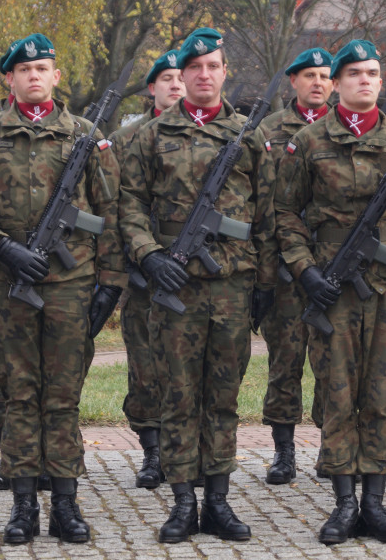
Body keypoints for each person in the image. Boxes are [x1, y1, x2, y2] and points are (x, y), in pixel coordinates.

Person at [0, 33, 125, 545]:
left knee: (62, 397)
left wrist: (112, 281)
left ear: (56, 76)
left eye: (44, 67)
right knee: (18, 394)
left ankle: (65, 502)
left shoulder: (85, 134)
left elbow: (114, 211)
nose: (35, 76)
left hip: (71, 285)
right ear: (9, 78)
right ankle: (23, 505)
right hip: (7, 284)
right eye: (25, 69)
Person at [119, 27, 277, 543]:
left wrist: (265, 285)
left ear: (224, 72)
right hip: (175, 289)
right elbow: (130, 205)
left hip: (232, 287)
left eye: (213, 66)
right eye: (195, 68)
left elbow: (267, 215)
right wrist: (150, 255)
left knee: (223, 397)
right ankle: (183, 501)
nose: (204, 75)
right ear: (181, 76)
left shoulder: (248, 136)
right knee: (178, 396)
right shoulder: (150, 135)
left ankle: (219, 501)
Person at [275, 40, 386, 546]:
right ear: (337, 83)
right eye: (355, 74)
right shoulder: (309, 141)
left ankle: (376, 504)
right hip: (332, 289)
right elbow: (284, 215)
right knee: (338, 395)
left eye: (373, 73)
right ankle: (344, 504)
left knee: (380, 397)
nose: (366, 81)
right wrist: (305, 271)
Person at [258, 47, 333, 484]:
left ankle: (330, 446)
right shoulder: (270, 131)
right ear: (294, 82)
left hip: (330, 269)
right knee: (285, 362)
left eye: (325, 75)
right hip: (285, 272)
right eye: (310, 75)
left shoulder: (342, 129)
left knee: (331, 362)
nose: (318, 82)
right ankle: (284, 453)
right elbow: (263, 203)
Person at [112, 50, 185, 489]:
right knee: (145, 368)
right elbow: (113, 207)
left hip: (191, 274)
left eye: (182, 77)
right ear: (151, 88)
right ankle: (153, 453)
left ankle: (187, 453)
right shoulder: (126, 140)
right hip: (143, 274)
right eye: (167, 78)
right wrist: (133, 262)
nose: (176, 84)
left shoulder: (209, 135)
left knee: (187, 368)